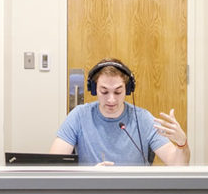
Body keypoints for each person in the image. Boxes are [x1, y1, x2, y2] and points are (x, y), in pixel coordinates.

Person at [50, 59, 189, 166]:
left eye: (118, 92)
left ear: (128, 90)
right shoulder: (79, 115)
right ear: (93, 89)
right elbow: (54, 165)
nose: (111, 99)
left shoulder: (143, 119)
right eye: (104, 91)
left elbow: (178, 164)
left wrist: (182, 144)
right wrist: (89, 175)